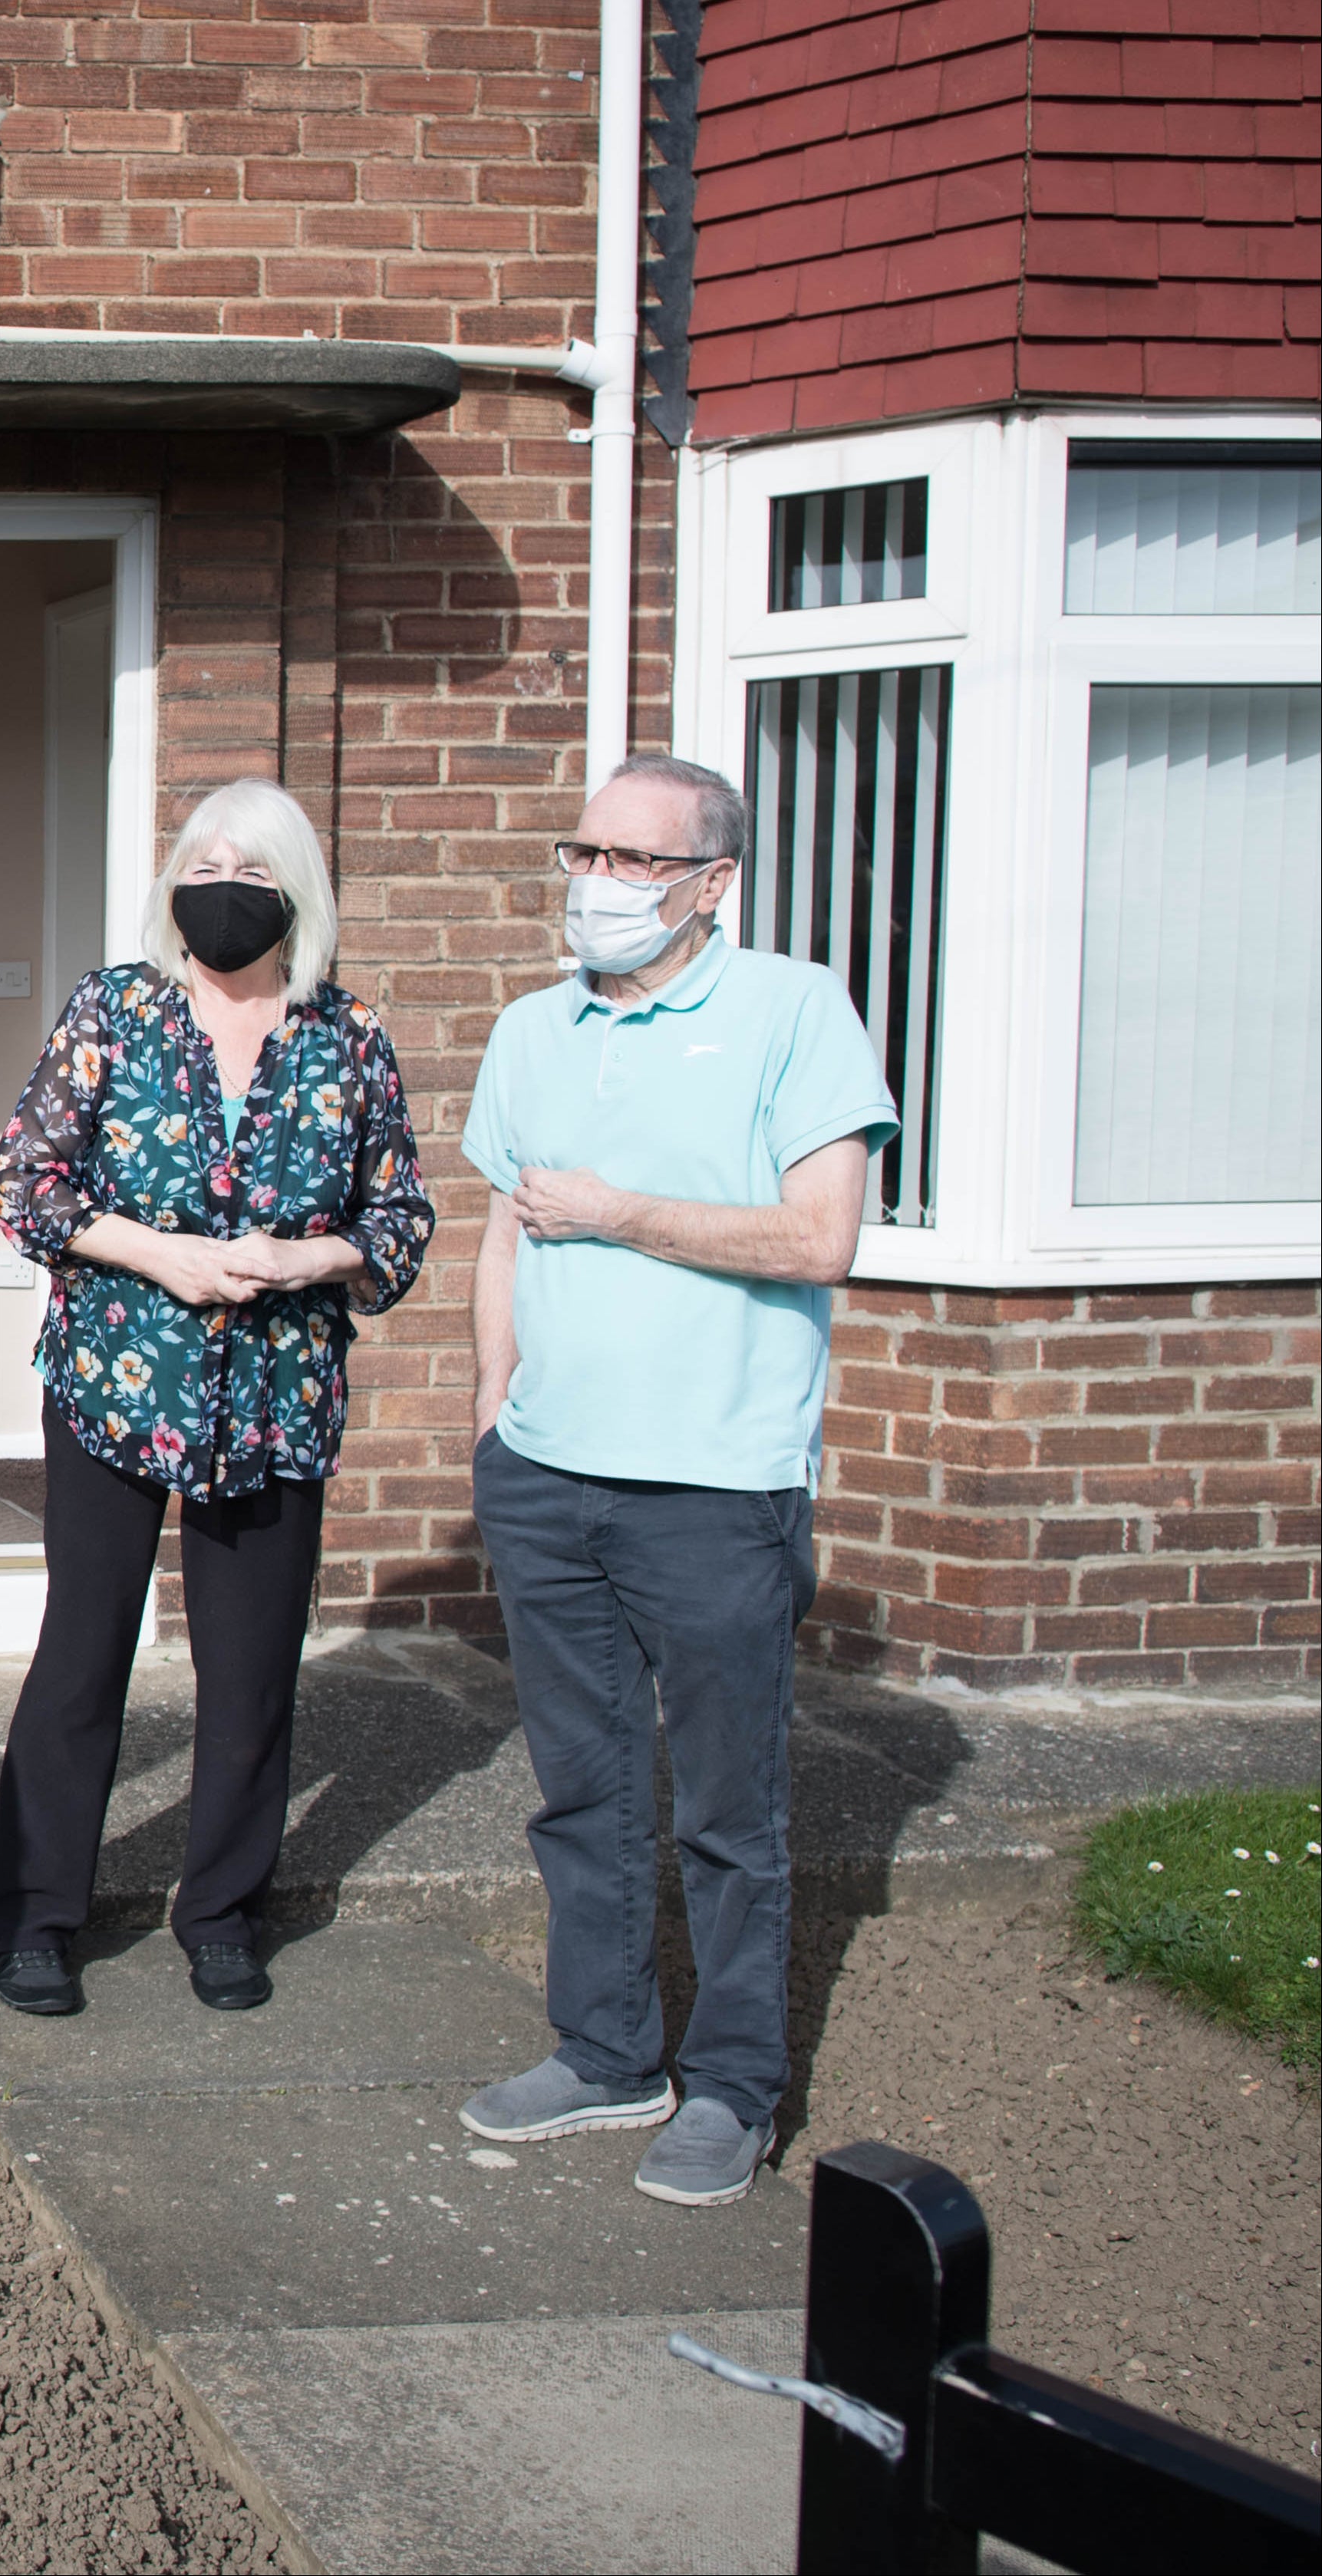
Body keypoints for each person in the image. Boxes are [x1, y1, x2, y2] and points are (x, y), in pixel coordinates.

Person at [455, 751, 898, 2209]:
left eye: (636, 862)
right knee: (579, 1792)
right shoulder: (532, 1029)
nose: (598, 886)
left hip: (715, 1487)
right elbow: (508, 1234)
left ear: (713, 884)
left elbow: (821, 1237)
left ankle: (733, 2087)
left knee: (728, 1811)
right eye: (584, 853)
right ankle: (605, 2052)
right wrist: (491, 1418)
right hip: (548, 1475)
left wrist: (625, 1214)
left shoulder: (792, 1012)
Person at [0, 778, 436, 2018]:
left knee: (251, 1671)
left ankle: (224, 1910)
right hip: (119, 1380)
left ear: (298, 893)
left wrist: (308, 1259)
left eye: (250, 860)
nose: (221, 876)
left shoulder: (349, 1040)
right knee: (83, 1651)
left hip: (278, 1394)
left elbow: (399, 1224)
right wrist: (158, 1251)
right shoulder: (114, 1012)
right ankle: (34, 1916)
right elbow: (24, 1183)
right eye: (203, 855)